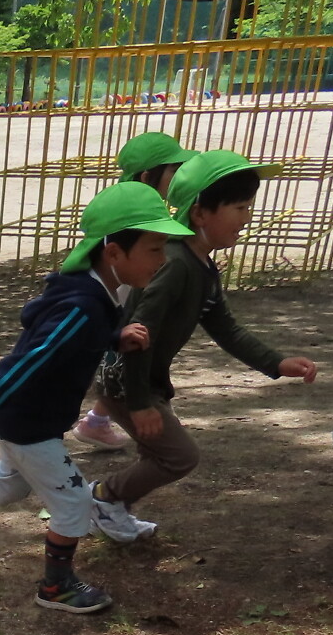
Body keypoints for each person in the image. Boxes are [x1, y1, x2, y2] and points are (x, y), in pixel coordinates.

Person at [0, 184, 192, 615]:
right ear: (114, 252)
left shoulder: (95, 294)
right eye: (153, 248)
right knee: (74, 502)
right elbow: (25, 361)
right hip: (30, 424)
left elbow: (74, 340)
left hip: (29, 421)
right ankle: (56, 587)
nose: (162, 258)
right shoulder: (82, 305)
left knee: (9, 484)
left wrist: (114, 337)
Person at [90, 150, 319, 537]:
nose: (247, 217)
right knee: (179, 457)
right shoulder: (176, 264)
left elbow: (225, 327)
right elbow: (139, 331)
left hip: (144, 380)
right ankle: (102, 498)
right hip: (126, 380)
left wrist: (276, 363)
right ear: (199, 213)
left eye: (249, 207)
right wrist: (140, 402)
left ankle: (113, 511)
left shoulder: (202, 265)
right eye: (239, 207)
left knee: (158, 453)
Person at [73, 131, 197, 453]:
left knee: (113, 348)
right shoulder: (132, 219)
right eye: (173, 169)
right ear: (146, 177)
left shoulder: (143, 213)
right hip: (107, 301)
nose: (180, 175)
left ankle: (96, 420)